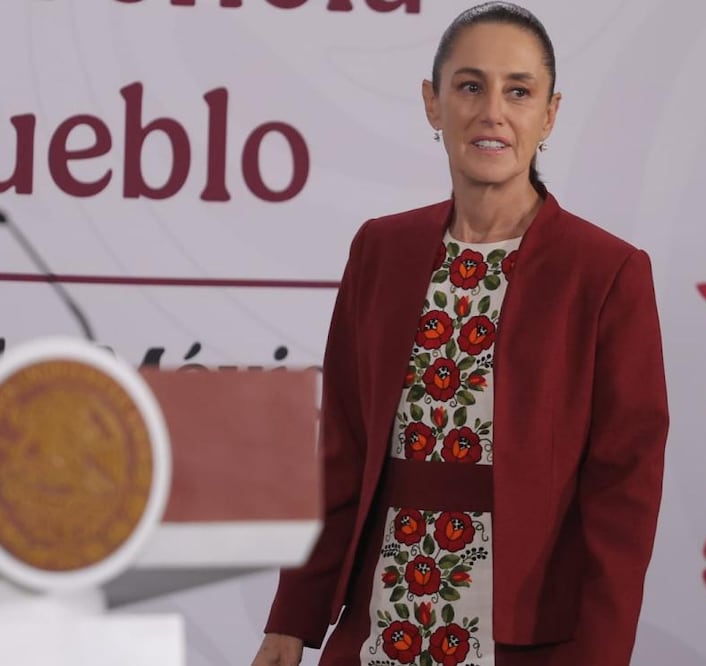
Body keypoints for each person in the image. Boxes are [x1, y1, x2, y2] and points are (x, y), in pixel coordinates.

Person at [252, 3, 669, 664]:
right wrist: (292, 618)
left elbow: (623, 496)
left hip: (525, 635)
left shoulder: (607, 272)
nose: (493, 112)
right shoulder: (380, 249)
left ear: (550, 115)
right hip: (378, 619)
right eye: (470, 86)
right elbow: (341, 447)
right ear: (433, 102)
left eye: (519, 91)